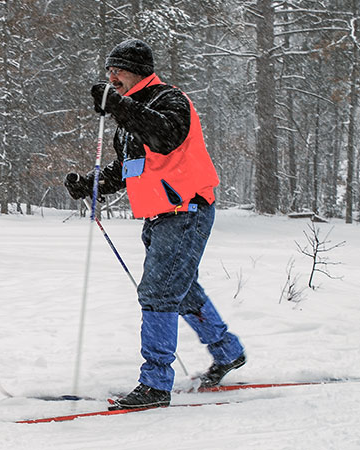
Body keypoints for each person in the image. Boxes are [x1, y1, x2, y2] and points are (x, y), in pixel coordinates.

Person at [64, 38, 245, 410]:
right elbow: (130, 166)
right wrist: (90, 186)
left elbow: (164, 138)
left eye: (119, 71)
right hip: (160, 215)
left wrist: (117, 106)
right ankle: (228, 352)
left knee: (158, 292)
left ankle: (155, 385)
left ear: (139, 72)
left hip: (187, 209)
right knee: (183, 290)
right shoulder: (128, 112)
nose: (111, 77)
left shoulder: (169, 100)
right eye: (109, 71)